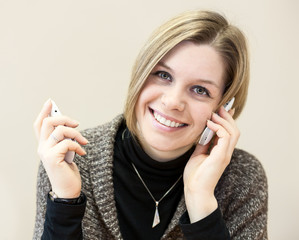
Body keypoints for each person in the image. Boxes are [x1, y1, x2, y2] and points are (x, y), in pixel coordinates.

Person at [33, 10, 268, 240]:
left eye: (200, 90)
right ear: (141, 73)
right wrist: (66, 202)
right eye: (164, 75)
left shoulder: (241, 178)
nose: (173, 101)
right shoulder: (69, 159)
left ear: (223, 108)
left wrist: (201, 202)